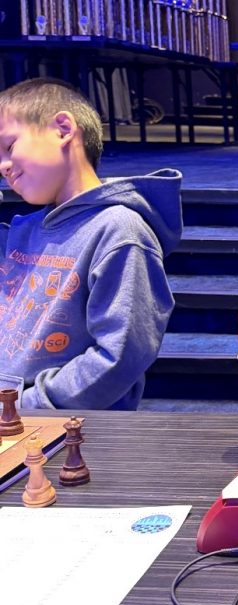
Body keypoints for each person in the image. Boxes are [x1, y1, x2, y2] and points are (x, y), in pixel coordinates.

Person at [0, 78, 182, 410]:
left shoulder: (119, 231)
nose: (3, 167)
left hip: (65, 427)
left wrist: (26, 405)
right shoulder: (21, 232)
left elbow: (120, 355)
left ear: (63, 129)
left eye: (9, 147)